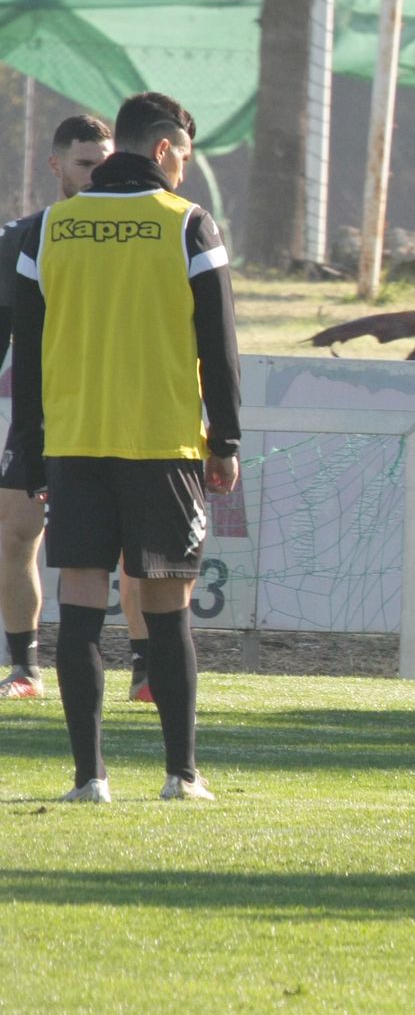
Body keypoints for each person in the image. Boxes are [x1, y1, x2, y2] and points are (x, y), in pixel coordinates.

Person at [9, 91, 241, 803]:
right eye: (186, 161)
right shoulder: (188, 225)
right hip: (162, 445)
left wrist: (30, 451)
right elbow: (220, 345)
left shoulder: (44, 230)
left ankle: (90, 779)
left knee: (79, 607)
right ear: (166, 152)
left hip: (76, 447)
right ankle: (182, 774)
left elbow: (28, 356)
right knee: (165, 610)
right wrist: (224, 439)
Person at [0, 116, 154, 703]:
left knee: (132, 548)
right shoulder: (23, 238)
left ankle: (145, 672)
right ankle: (24, 669)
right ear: (56, 166)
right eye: (85, 164)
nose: (95, 175)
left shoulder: (144, 233)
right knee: (15, 533)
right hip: (43, 420)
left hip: (121, 416)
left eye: (104, 163)